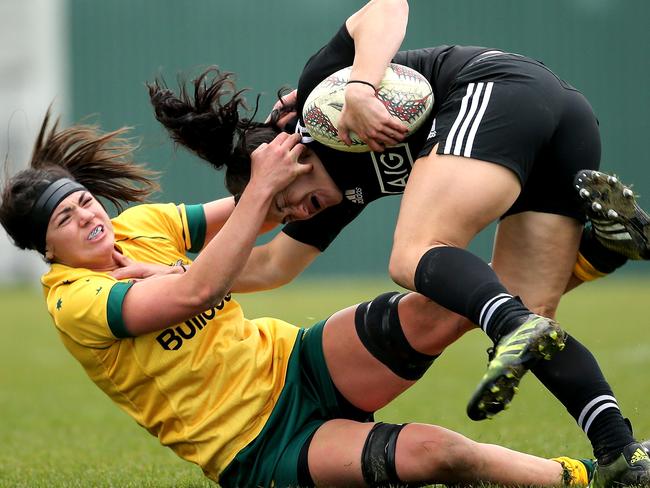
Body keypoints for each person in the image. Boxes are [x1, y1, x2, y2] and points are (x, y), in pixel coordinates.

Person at [144, 1, 650, 485]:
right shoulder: (329, 194)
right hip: (563, 126)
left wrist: (361, 87)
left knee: (414, 256)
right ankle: (619, 451)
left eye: (284, 202)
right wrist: (184, 280)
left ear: (284, 159)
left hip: (497, 89)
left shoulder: (322, 104)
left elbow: (387, 6)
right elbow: (275, 264)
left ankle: (523, 315)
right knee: (527, 310)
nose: (293, 214)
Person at [0, 111, 611, 488]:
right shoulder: (73, 299)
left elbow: (254, 213)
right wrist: (259, 190)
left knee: (444, 306)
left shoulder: (140, 226)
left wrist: (308, 129)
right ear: (46, 249)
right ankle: (587, 478)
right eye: (62, 219)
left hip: (296, 362)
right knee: (440, 453)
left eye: (80, 199)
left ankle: (585, 259)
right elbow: (199, 289)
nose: (84, 216)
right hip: (260, 444)